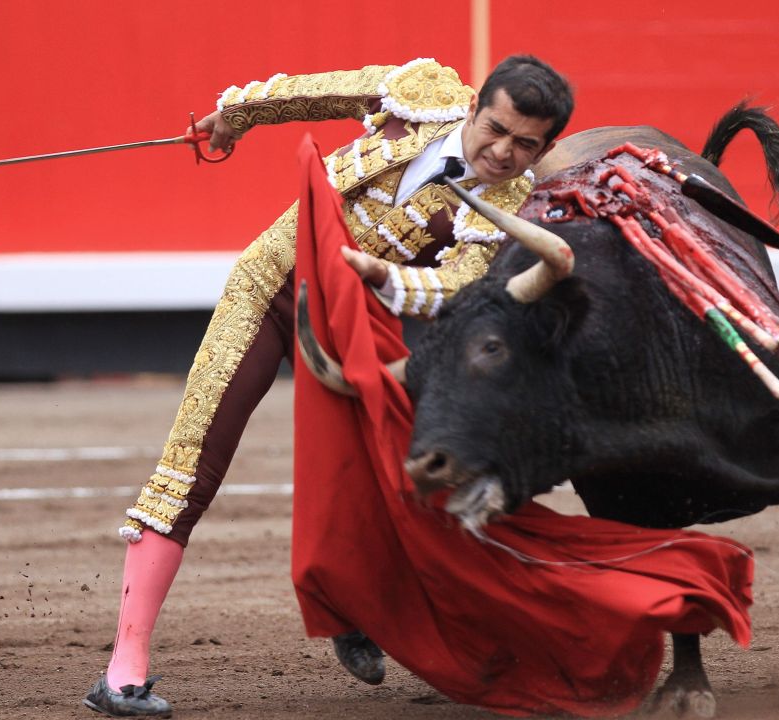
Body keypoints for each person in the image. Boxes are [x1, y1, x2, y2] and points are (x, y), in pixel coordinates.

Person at [83, 55, 574, 718]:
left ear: (542, 148)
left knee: (394, 476)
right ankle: (124, 671)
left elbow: (458, 283)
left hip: (351, 330)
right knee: (191, 461)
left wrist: (386, 277)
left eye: (526, 144)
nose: (504, 152)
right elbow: (314, 93)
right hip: (270, 286)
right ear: (473, 107)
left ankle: (355, 606)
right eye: (497, 129)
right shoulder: (422, 92)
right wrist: (234, 116)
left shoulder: (509, 203)